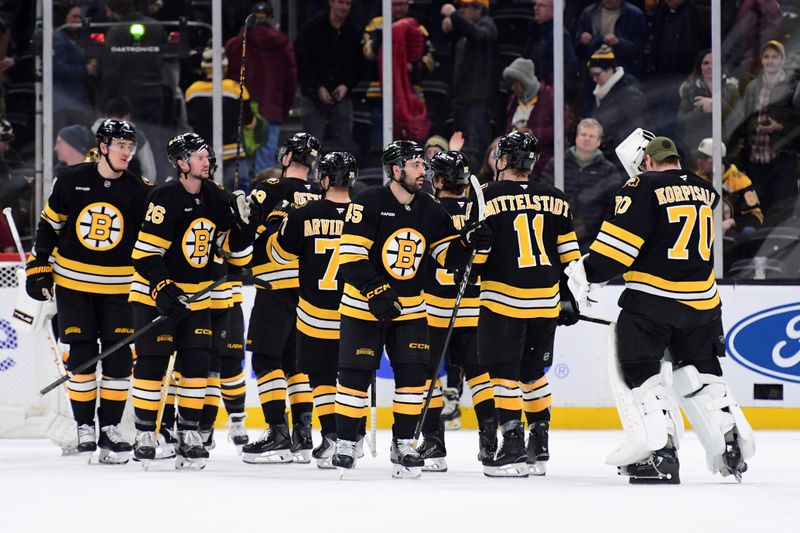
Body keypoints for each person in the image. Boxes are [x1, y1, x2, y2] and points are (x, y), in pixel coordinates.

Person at [567, 133, 755, 483]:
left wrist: (578, 279)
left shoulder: (641, 186)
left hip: (653, 302)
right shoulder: (704, 189)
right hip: (704, 303)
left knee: (642, 375)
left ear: (647, 162)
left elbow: (614, 254)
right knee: (702, 375)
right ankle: (732, 447)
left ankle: (660, 455)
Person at [331, 140, 491, 478]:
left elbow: (448, 257)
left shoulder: (431, 209)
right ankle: (346, 441)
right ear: (395, 169)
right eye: (416, 164)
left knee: (413, 379)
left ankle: (404, 442)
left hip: (412, 309)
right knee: (354, 377)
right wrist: (376, 289)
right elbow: (351, 258)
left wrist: (468, 242)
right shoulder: (368, 202)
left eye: (423, 164)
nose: (424, 170)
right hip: (363, 308)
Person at [25, 119, 152, 464]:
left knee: (119, 358)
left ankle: (109, 427)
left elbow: (154, 239)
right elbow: (49, 226)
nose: (127, 152)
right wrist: (39, 266)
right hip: (73, 284)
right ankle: (84, 426)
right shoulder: (71, 181)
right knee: (81, 355)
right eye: (121, 146)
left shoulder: (140, 189)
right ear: (103, 147)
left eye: (130, 147)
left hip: (120, 287)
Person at [128, 133, 250, 469]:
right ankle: (144, 433)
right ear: (182, 163)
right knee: (152, 363)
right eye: (199, 157)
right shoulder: (164, 198)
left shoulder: (216, 197)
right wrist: (165, 290)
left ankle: (190, 433)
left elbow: (236, 253)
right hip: (156, 295)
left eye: (207, 156)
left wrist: (242, 222)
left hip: (199, 296)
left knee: (197, 366)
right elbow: (145, 255)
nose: (207, 161)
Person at [467, 130, 581, 477]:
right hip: (545, 302)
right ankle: (539, 444)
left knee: (503, 374)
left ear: (503, 160)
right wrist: (568, 297)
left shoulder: (486, 196)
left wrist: (471, 251)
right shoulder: (556, 198)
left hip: (503, 300)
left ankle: (513, 444)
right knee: (533, 373)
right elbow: (571, 258)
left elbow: (479, 258)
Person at [264, 151, 358, 468]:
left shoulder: (305, 214)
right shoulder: (365, 213)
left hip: (315, 315)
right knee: (352, 379)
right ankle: (352, 437)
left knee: (321, 379)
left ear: (324, 179)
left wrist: (276, 222)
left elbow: (278, 256)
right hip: (355, 314)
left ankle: (332, 436)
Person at [241, 133, 323, 464]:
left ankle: (277, 430)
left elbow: (244, 235)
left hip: (275, 286)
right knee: (296, 363)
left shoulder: (268, 190)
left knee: (265, 359)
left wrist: (240, 212)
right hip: (311, 292)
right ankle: (303, 433)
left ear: (287, 157)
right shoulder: (321, 195)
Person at [418, 150, 498, 472]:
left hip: (435, 310)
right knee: (481, 378)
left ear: (438, 180)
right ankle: (490, 443)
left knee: (429, 379)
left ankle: (434, 445)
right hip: (476, 309)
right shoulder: (481, 211)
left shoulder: (427, 210)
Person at [724, 40, 800, 212]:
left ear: (782, 60)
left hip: (782, 158)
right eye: (766, 56)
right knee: (758, 208)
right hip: (756, 159)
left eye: (774, 57)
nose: (770, 60)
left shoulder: (793, 87)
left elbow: (796, 122)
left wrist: (779, 127)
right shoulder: (752, 87)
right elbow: (743, 119)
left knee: (782, 209)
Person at [225, 2, 297, 174]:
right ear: (271, 20)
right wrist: (283, 109)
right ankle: (261, 199)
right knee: (264, 166)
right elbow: (291, 81)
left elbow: (225, 79)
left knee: (240, 163)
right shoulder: (283, 44)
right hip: (270, 110)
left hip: (241, 112)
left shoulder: (234, 44)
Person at [361, 0, 435, 152]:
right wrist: (385, 36)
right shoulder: (376, 24)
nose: (399, 8)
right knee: (380, 144)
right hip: (380, 93)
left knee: (412, 144)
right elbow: (366, 52)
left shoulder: (417, 27)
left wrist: (410, 67)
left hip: (411, 91)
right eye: (395, 4)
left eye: (403, 4)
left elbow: (430, 58)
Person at [541, 118, 623, 251]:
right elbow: (543, 196)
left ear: (598, 141)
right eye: (583, 135)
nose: (587, 139)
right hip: (555, 236)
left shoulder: (609, 170)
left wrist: (600, 237)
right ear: (576, 137)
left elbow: (613, 208)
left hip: (591, 241)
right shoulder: (556, 163)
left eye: (592, 136)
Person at [185, 45, 254, 189]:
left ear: (204, 67)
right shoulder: (237, 88)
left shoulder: (192, 91)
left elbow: (190, 121)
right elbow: (249, 122)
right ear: (225, 65)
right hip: (233, 154)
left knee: (207, 198)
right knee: (240, 199)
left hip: (203, 156)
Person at [295, 0, 363, 143]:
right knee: (312, 146)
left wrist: (346, 85)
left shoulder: (354, 30)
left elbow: (359, 64)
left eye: (348, 4)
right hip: (313, 94)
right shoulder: (312, 27)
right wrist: (317, 87)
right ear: (331, 2)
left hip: (342, 95)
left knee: (344, 144)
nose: (344, 7)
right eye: (341, 2)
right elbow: (302, 61)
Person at [441, 0, 497, 163]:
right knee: (463, 148)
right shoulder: (468, 30)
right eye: (459, 7)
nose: (461, 10)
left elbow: (477, 36)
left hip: (478, 101)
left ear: (478, 9)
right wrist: (452, 26)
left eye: (465, 7)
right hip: (464, 99)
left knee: (475, 149)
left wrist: (453, 15)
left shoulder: (487, 26)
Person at [502, 57, 563, 176]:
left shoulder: (550, 97)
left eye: (516, 84)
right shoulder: (512, 103)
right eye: (511, 84)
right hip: (518, 166)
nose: (513, 88)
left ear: (526, 82)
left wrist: (531, 133)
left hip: (545, 166)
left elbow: (563, 128)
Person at [587, 46, 646, 168]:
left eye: (597, 74)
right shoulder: (602, 93)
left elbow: (633, 133)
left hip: (620, 161)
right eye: (592, 75)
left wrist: (605, 142)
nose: (594, 79)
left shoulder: (629, 96)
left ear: (610, 70)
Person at [694, 138, 763, 237]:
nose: (699, 161)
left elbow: (756, 217)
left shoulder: (740, 182)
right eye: (698, 157)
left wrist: (731, 222)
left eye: (704, 158)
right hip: (702, 237)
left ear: (718, 160)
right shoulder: (694, 181)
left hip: (730, 238)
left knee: (749, 232)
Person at [677, 49, 739, 159]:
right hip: (696, 151)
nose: (710, 66)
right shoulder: (690, 90)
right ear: (700, 66)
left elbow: (737, 118)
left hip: (725, 150)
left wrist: (715, 104)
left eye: (714, 63)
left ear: (721, 66)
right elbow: (681, 121)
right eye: (705, 63)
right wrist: (701, 111)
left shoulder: (732, 89)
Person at [575, 0, 646, 77]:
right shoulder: (589, 13)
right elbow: (576, 49)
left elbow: (638, 49)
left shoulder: (635, 15)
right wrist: (582, 41)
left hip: (623, 72)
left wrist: (618, 43)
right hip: (594, 72)